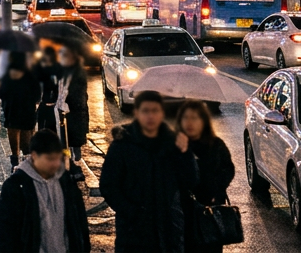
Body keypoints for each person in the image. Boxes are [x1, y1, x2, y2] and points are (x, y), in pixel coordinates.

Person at [99, 90, 199, 253]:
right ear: (137, 113)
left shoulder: (173, 143)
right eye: (146, 111)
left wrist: (185, 153)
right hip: (134, 233)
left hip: (169, 229)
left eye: (155, 111)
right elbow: (109, 186)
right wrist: (132, 212)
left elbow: (190, 181)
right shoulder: (123, 145)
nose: (150, 116)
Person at [0, 129, 90, 253]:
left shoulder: (66, 182)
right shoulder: (15, 187)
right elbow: (6, 234)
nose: (55, 163)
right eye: (50, 159)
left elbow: (80, 222)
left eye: (58, 158)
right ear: (34, 156)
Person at [177, 100, 235, 253]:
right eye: (186, 118)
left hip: (210, 208)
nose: (190, 122)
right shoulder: (175, 145)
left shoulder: (215, 144)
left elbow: (228, 169)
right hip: (183, 211)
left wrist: (217, 188)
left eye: (195, 118)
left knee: (210, 246)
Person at [0, 54, 42, 169]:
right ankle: (27, 160)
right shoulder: (31, 74)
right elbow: (37, 94)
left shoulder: (7, 74)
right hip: (27, 109)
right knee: (27, 135)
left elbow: (1, 92)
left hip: (11, 109)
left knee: (13, 134)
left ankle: (15, 160)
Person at [56, 48, 89, 181]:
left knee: (72, 143)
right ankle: (70, 166)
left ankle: (74, 168)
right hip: (66, 112)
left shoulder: (77, 73)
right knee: (65, 142)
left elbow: (80, 96)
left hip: (74, 113)